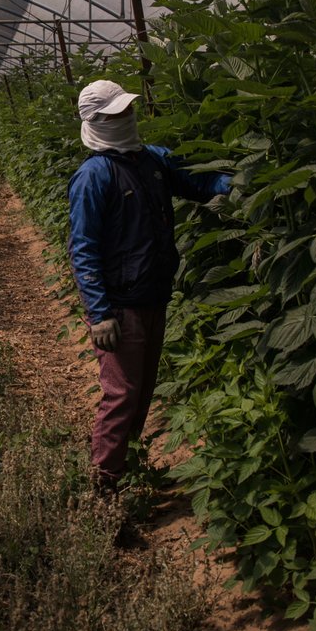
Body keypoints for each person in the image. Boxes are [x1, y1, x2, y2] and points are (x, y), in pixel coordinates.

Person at [67, 78, 232, 490]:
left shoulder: (152, 160)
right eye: (115, 113)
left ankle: (126, 469)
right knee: (121, 397)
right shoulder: (93, 176)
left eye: (128, 110)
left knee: (140, 394)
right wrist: (100, 314)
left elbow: (198, 182)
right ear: (95, 121)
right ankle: (103, 487)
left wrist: (237, 183)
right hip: (120, 306)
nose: (126, 117)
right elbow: (83, 249)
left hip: (153, 295)